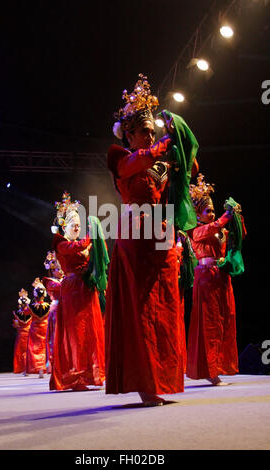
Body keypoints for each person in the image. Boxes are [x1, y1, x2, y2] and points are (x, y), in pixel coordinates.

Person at [105, 74, 199, 406]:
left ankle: (163, 379)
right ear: (128, 134)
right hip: (135, 232)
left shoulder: (157, 161)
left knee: (167, 305)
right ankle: (145, 384)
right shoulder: (120, 157)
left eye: (152, 129)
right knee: (142, 306)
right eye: (143, 130)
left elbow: (190, 163)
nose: (149, 134)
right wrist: (161, 147)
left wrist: (178, 135)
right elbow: (135, 165)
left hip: (160, 233)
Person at [186, 173, 246, 385]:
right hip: (206, 280)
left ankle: (219, 366)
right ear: (197, 213)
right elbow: (211, 228)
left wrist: (236, 218)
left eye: (213, 210)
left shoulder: (220, 230)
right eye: (207, 210)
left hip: (221, 278)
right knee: (210, 324)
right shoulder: (195, 231)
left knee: (224, 320)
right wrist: (223, 219)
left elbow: (237, 238)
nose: (211, 214)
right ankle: (210, 371)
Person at [49, 192, 106, 391]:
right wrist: (93, 233)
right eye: (73, 223)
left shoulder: (80, 245)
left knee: (91, 331)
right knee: (76, 333)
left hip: (86, 290)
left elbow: (93, 253)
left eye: (79, 224)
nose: (77, 226)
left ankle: (91, 374)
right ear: (64, 227)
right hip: (73, 290)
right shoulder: (62, 245)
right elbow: (82, 245)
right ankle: (76, 376)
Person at [42, 251, 64, 373]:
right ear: (52, 270)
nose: (60, 271)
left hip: (67, 310)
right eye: (57, 269)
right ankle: (54, 362)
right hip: (56, 311)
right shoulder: (49, 281)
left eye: (61, 268)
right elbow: (60, 289)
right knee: (55, 337)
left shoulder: (66, 279)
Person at [25, 278, 51, 378]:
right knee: (45, 348)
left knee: (34, 349)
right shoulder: (49, 305)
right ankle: (46, 367)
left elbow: (26, 312)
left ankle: (38, 367)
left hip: (35, 328)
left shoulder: (30, 306)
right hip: (45, 327)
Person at [12, 288, 32, 374]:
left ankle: (24, 368)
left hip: (21, 333)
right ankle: (31, 367)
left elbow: (16, 325)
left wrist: (15, 324)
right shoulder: (31, 312)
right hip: (30, 332)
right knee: (30, 350)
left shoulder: (17, 313)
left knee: (22, 351)